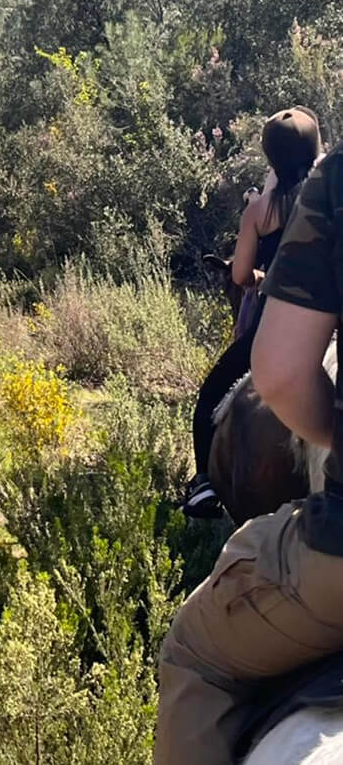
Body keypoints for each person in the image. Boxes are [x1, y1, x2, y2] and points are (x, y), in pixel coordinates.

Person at [153, 121, 340, 765]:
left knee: (221, 395)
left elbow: (244, 282)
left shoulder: (284, 199)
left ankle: (208, 479)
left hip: (278, 317)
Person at [182, 106, 322, 518]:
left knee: (210, 396)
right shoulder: (330, 202)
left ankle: (203, 485)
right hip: (331, 322)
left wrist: (262, 269)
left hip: (277, 329)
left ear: (271, 157)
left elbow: (241, 274)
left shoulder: (260, 211)